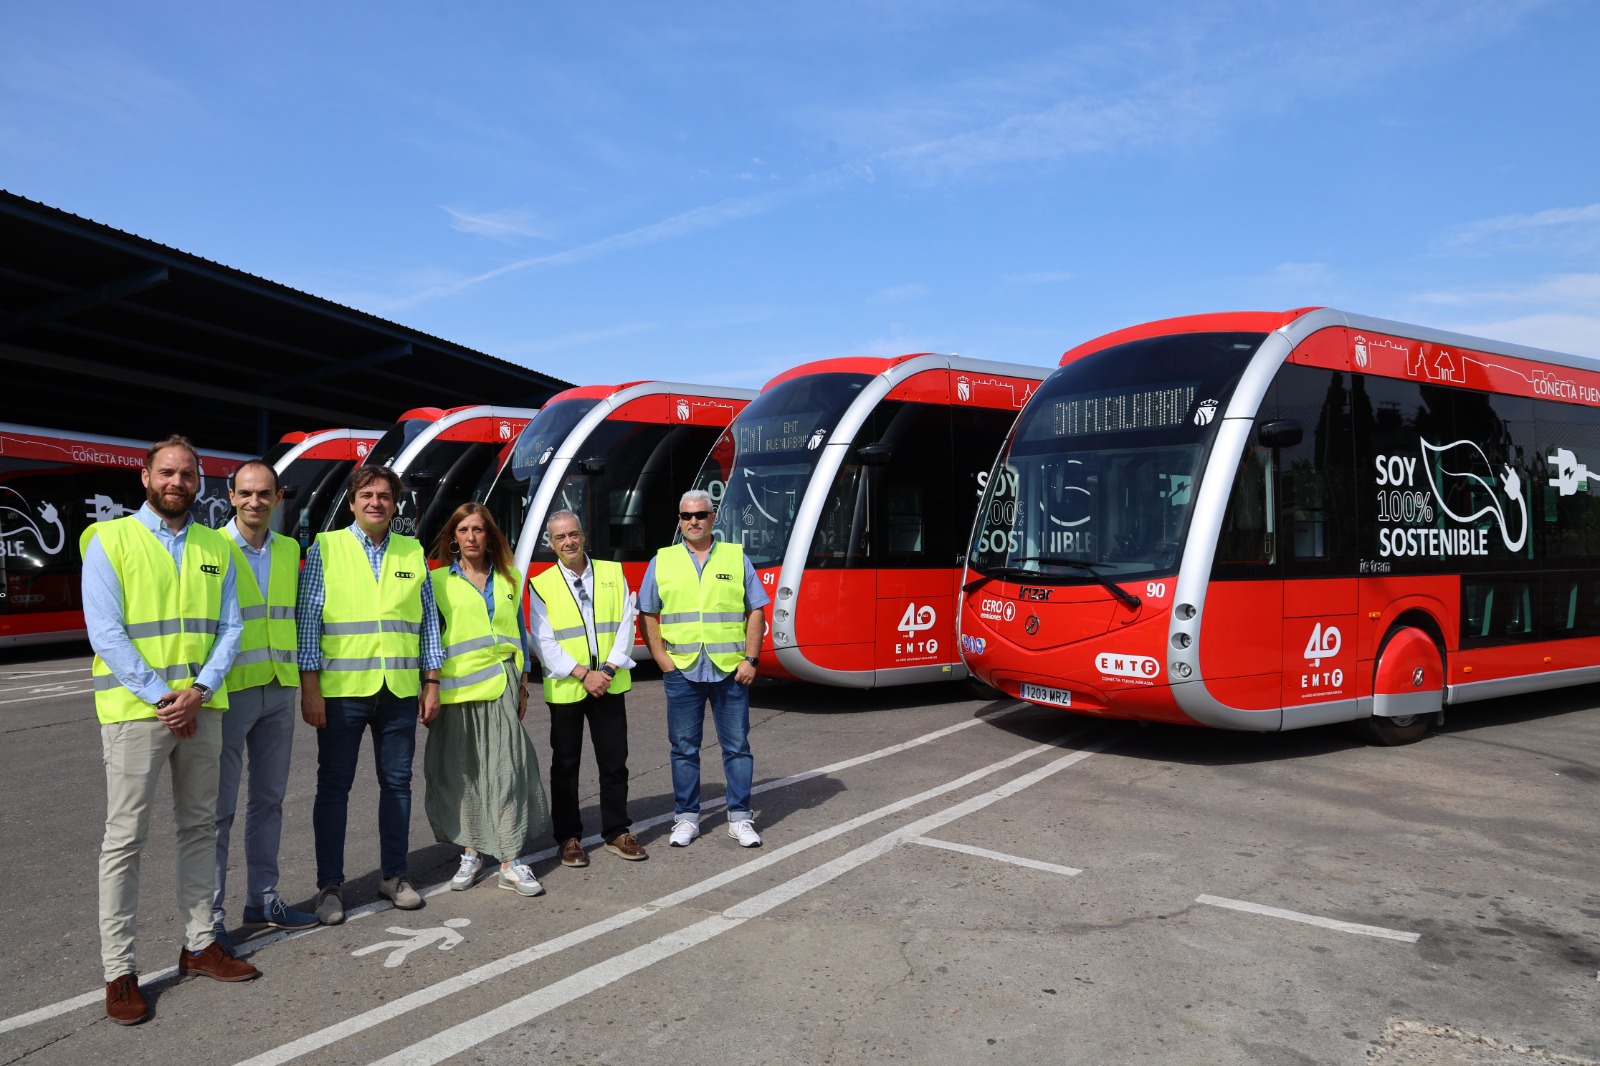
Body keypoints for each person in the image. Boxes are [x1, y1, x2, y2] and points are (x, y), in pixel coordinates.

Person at [82, 436, 257, 1026]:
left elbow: (232, 627)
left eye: (187, 474)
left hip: (201, 707)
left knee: (199, 828)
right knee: (124, 840)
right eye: (167, 472)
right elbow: (106, 632)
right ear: (146, 476)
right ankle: (119, 971)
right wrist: (165, 696)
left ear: (200, 481)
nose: (177, 482)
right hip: (139, 713)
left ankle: (199, 945)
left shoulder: (215, 545)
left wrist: (199, 691)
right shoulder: (110, 541)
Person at [298, 465, 442, 923]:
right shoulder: (327, 547)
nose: (376, 502)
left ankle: (395, 876)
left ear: (394, 504)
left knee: (397, 786)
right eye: (367, 494)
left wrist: (431, 681)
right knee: (334, 788)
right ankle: (330, 888)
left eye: (384, 495)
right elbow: (308, 623)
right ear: (353, 500)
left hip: (398, 690)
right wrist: (311, 689)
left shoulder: (412, 550)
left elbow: (427, 626)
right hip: (342, 692)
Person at [211, 460, 320, 956]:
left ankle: (263, 900)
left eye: (265, 494)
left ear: (278, 499)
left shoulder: (290, 549)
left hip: (278, 688)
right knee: (218, 812)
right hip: (228, 694)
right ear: (231, 496)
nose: (256, 502)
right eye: (246, 493)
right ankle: (211, 918)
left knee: (269, 801)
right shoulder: (210, 549)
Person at [424, 502, 551, 897]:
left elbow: (518, 633)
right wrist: (429, 687)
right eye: (463, 530)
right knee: (463, 775)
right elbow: (430, 639)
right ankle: (472, 851)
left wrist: (524, 684)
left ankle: (511, 862)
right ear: (453, 538)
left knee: (508, 773)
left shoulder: (510, 579)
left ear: (490, 536)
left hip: (503, 687)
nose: (471, 537)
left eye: (478, 529)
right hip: (457, 690)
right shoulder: (438, 582)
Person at [639, 490, 769, 849]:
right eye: (685, 516)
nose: (692, 521)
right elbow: (648, 612)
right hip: (682, 668)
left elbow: (755, 609)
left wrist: (751, 658)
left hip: (730, 669)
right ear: (679, 521)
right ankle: (687, 818)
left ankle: (740, 818)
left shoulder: (735, 556)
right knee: (683, 748)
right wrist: (662, 658)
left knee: (737, 747)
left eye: (699, 514)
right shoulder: (662, 560)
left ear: (713, 518)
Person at [529, 510, 646, 868]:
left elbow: (627, 623)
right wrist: (583, 673)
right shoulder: (541, 584)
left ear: (584, 536)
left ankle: (616, 831)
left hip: (608, 682)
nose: (568, 542)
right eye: (560, 538)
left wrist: (607, 669)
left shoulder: (613, 572)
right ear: (551, 544)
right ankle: (568, 838)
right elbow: (542, 640)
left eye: (573, 534)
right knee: (565, 765)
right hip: (569, 686)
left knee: (615, 762)